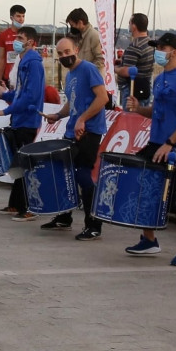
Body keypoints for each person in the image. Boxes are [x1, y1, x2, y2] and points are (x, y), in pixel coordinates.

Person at [125, 32, 176, 267]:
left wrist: (171, 142)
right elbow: (155, 111)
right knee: (145, 187)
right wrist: (138, 109)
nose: (159, 52)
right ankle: (149, 239)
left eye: (162, 47)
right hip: (157, 142)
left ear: (175, 52)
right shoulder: (159, 79)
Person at [40, 37, 108, 240]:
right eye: (60, 54)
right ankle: (64, 216)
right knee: (64, 173)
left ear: (76, 50)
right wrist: (59, 115)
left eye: (67, 51)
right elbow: (73, 101)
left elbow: (102, 97)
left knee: (83, 176)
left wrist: (84, 120)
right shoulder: (70, 76)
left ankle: (94, 224)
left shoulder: (88, 69)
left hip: (89, 131)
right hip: (72, 131)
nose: (64, 56)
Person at [0, 25, 45, 222]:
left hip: (27, 121)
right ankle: (16, 203)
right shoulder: (24, 62)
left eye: (20, 37)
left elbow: (30, 96)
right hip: (20, 119)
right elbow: (21, 93)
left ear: (31, 42)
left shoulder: (33, 63)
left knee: (25, 164)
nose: (16, 41)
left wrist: (5, 109)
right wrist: (5, 94)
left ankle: (30, 206)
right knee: (18, 163)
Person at [114, 13, 153, 108]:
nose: (129, 25)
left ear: (134, 26)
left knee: (130, 120)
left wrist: (115, 69)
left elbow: (127, 71)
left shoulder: (135, 46)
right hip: (145, 87)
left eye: (130, 23)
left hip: (131, 90)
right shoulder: (150, 43)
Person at [65, 8, 105, 80]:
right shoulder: (78, 36)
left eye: (72, 25)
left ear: (80, 23)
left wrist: (86, 72)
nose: (72, 28)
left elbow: (100, 59)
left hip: (91, 79)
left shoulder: (94, 35)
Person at [0, 5, 26, 86]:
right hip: (8, 77)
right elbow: (1, 58)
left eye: (23, 16)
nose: (21, 19)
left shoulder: (28, 35)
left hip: (24, 77)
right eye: (18, 16)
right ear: (11, 18)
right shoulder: (4, 35)